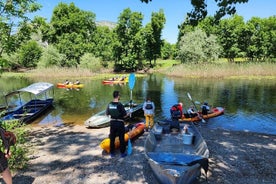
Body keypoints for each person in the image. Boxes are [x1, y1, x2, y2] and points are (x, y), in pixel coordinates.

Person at [106, 91, 128, 158]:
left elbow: (107, 114)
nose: (120, 97)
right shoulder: (120, 104)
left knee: (112, 138)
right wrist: (129, 114)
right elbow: (124, 115)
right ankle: (122, 153)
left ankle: (112, 153)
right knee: (121, 138)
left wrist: (113, 116)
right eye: (119, 95)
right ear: (118, 96)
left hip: (112, 123)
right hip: (120, 123)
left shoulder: (109, 104)